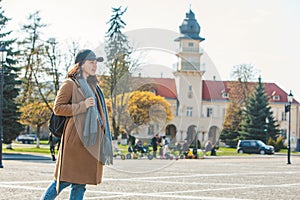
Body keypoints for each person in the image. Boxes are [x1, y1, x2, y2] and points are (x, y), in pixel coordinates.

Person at [41, 49, 113, 200]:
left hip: (90, 141)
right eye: (91, 62)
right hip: (75, 142)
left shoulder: (94, 86)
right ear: (80, 64)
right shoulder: (70, 83)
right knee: (62, 182)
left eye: (96, 63)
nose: (95, 66)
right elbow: (58, 108)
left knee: (81, 184)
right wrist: (82, 105)